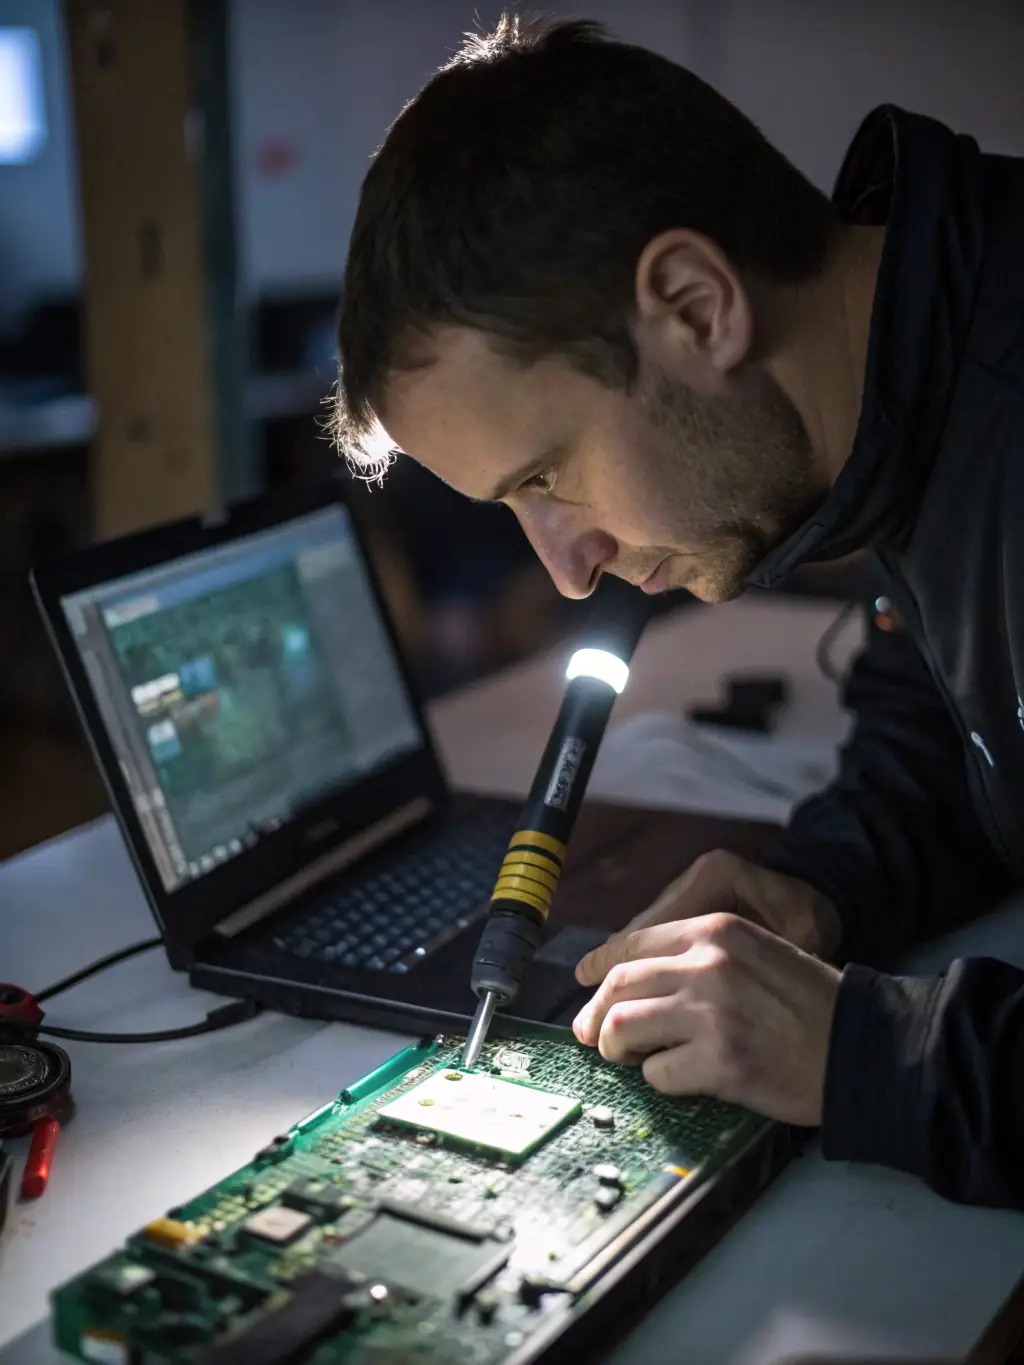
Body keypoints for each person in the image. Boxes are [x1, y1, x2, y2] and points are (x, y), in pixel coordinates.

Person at [329, 15, 1024, 1210]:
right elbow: (957, 725)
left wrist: (875, 1054)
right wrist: (820, 887)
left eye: (545, 477)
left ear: (697, 307)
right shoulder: (921, 395)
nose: (565, 569)